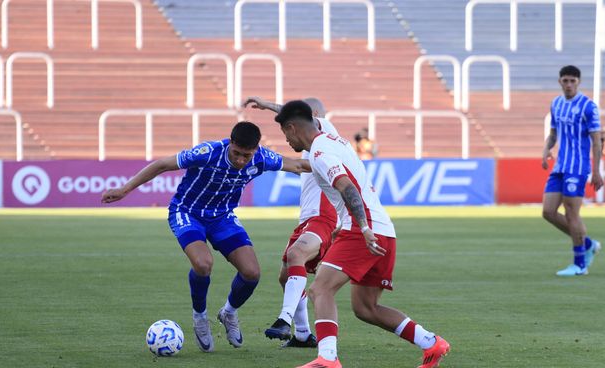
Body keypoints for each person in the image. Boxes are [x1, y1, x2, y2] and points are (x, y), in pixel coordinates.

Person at [101, 121, 311, 352]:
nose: (241, 160)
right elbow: (162, 164)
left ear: (256, 150)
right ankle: (200, 316)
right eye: (237, 153)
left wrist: (337, 168)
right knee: (203, 264)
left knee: (252, 273)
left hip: (222, 217)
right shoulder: (208, 153)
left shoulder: (263, 158)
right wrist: (125, 189)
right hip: (188, 212)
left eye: (246, 156)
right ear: (230, 143)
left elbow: (300, 165)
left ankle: (228, 313)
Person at [274, 100, 450, 368]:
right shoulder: (336, 139)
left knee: (321, 289)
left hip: (363, 230)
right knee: (366, 309)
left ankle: (327, 359)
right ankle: (431, 343)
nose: (286, 140)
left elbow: (347, 188)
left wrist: (363, 228)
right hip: (384, 231)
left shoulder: (320, 153)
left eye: (285, 134)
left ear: (292, 127)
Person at [244, 96, 339, 348]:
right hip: (308, 219)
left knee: (297, 254)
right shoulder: (316, 149)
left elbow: (298, 115)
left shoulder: (326, 130)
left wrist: (267, 105)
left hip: (323, 216)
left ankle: (284, 319)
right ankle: (303, 335)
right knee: (285, 277)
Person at [542, 65, 603, 276]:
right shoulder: (556, 104)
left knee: (571, 213)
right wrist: (545, 151)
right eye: (565, 81)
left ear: (578, 82)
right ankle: (587, 243)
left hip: (577, 168)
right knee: (548, 212)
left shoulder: (588, 106)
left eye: (572, 81)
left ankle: (580, 265)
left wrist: (596, 171)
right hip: (560, 166)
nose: (568, 85)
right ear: (559, 81)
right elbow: (553, 133)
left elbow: (597, 141)